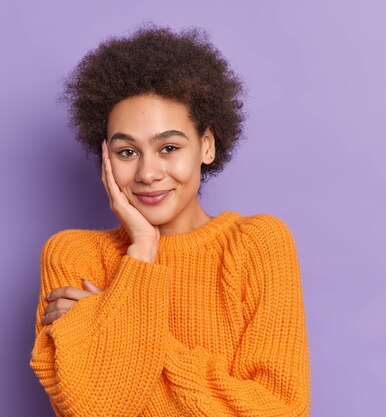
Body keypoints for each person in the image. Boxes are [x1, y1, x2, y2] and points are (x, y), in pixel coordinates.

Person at [29, 22, 311, 417]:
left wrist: (116, 324)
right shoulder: (74, 256)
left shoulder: (256, 244)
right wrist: (143, 247)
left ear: (206, 145)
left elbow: (279, 411)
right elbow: (95, 409)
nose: (148, 172)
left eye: (168, 147)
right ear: (106, 157)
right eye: (127, 152)